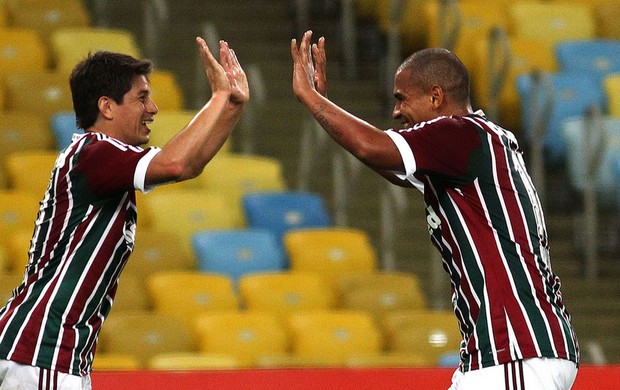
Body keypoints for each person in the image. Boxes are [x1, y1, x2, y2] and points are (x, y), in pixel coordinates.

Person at [291, 30, 579, 389]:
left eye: (401, 99)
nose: (396, 111)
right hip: (505, 351)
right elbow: (395, 168)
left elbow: (372, 147)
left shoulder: (459, 134)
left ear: (436, 96)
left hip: (515, 349)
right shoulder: (473, 143)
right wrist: (326, 107)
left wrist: (311, 99)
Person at [0, 37, 248, 389]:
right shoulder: (95, 152)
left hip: (53, 355)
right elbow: (176, 163)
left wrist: (232, 106)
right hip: (43, 352)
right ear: (107, 107)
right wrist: (218, 98)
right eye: (142, 98)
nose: (153, 108)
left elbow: (189, 165)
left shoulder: (101, 159)